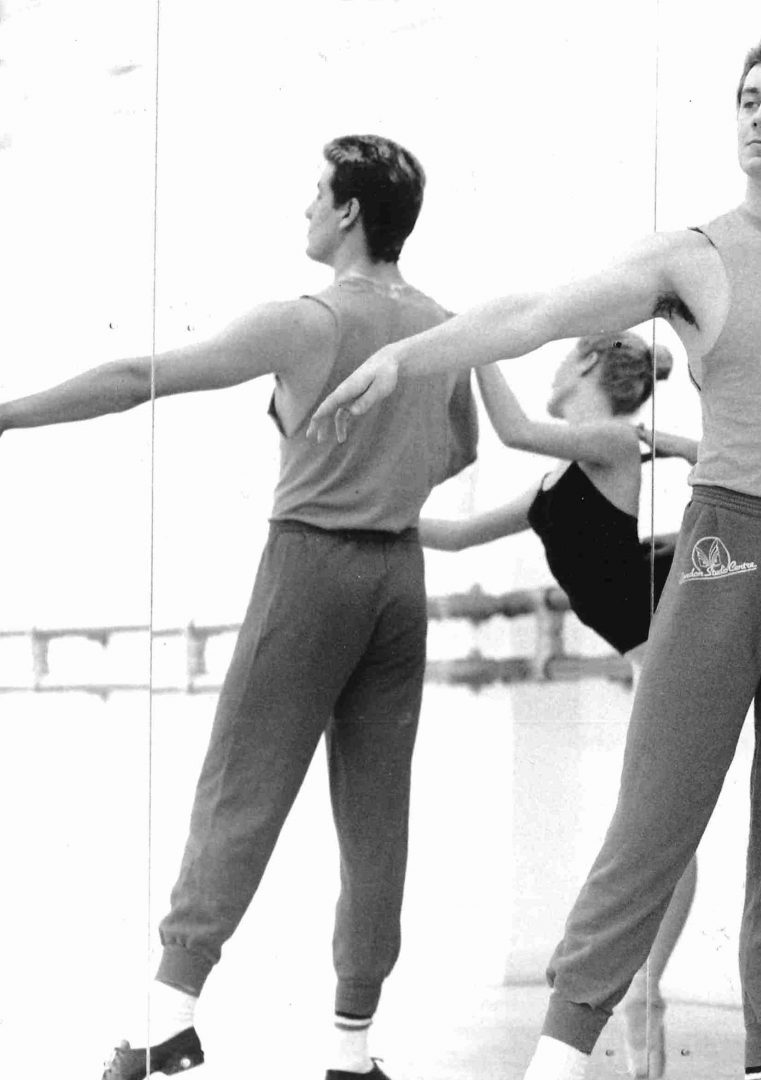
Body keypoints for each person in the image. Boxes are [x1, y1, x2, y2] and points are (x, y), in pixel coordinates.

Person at [302, 32, 761, 1080]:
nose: (758, 116)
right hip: (727, 552)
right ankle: (559, 1055)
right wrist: (404, 356)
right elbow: (531, 316)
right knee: (656, 816)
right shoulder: (692, 254)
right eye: (748, 98)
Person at [0, 135, 475, 1080]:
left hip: (312, 569)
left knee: (239, 790)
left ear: (347, 212)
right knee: (377, 819)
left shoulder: (308, 320)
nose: (304, 208)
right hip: (399, 582)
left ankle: (164, 1020)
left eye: (315, 193)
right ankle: (352, 1049)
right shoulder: (444, 324)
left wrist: (7, 414)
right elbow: (459, 451)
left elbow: (138, 378)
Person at [415, 332, 697, 1079]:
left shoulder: (609, 443)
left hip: (673, 651)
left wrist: (479, 338)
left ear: (582, 365)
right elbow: (453, 535)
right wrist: (356, 512)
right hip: (652, 658)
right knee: (657, 826)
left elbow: (511, 427)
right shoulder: (558, 481)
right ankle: (639, 984)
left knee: (656, 828)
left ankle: (643, 984)